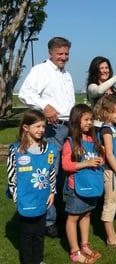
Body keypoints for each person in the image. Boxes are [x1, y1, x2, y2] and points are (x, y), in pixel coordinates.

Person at [19, 37, 75, 238]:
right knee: (49, 172)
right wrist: (45, 106)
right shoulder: (40, 71)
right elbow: (24, 94)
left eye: (66, 53)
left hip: (68, 127)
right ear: (50, 53)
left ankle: (59, 212)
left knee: (63, 173)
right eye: (60, 53)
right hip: (51, 129)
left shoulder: (66, 74)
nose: (64, 57)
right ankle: (49, 221)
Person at [7, 110, 58, 264]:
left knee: (39, 233)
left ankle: (38, 263)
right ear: (26, 127)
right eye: (38, 126)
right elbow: (12, 178)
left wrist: (52, 191)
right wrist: (17, 199)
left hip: (43, 199)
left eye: (44, 126)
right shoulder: (16, 150)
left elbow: (51, 172)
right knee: (28, 234)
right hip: (25, 201)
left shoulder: (49, 149)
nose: (42, 129)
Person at [62, 104, 104, 264]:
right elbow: (66, 165)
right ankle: (74, 252)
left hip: (92, 185)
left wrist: (101, 159)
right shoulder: (70, 142)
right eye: (85, 119)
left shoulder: (94, 140)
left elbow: (99, 158)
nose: (89, 122)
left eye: (91, 119)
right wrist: (86, 163)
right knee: (73, 218)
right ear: (76, 120)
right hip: (76, 188)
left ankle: (84, 245)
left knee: (86, 215)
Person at [93, 95, 116, 248]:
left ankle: (113, 235)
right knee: (110, 203)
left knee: (112, 202)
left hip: (115, 170)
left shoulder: (114, 128)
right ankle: (111, 239)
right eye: (115, 112)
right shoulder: (106, 129)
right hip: (111, 171)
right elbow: (109, 154)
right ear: (104, 112)